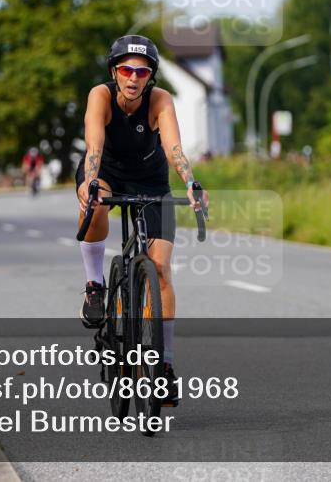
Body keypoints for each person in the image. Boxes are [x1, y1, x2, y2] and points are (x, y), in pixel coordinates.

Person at [75, 34, 209, 403]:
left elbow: (174, 148)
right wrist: (90, 182)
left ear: (150, 76)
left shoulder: (159, 99)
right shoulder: (99, 96)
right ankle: (94, 286)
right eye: (126, 69)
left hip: (151, 179)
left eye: (142, 71)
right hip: (106, 171)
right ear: (114, 72)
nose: (133, 77)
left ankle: (163, 367)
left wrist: (192, 183)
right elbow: (94, 145)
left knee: (161, 269)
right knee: (95, 203)